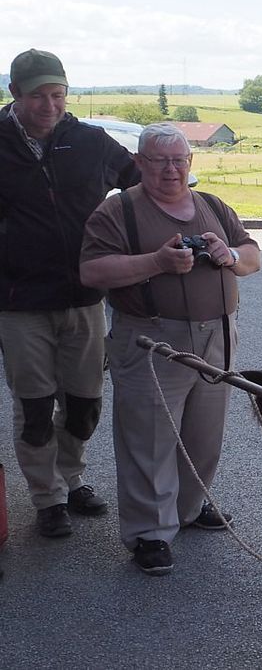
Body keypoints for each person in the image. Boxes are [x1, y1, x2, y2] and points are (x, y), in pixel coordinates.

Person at [80, 123, 261, 576]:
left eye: (179, 160)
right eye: (159, 161)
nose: (171, 169)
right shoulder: (117, 211)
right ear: (139, 162)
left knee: (203, 434)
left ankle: (188, 507)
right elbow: (93, 271)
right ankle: (150, 533)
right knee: (150, 439)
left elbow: (252, 255)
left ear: (190, 161)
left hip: (217, 337)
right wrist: (157, 263)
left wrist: (230, 255)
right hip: (151, 338)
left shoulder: (213, 205)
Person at [0, 48, 140, 538]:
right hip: (18, 302)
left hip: (84, 297)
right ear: (14, 93)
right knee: (36, 406)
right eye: (38, 96)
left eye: (58, 94)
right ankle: (49, 498)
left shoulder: (90, 141)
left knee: (84, 403)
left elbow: (141, 186)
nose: (50, 105)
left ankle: (71, 478)